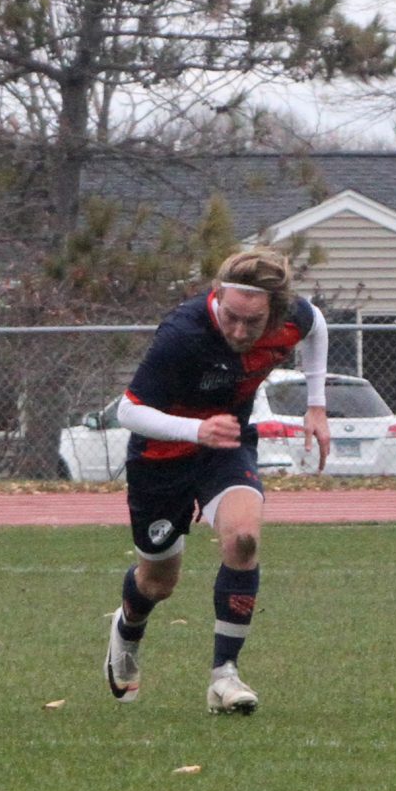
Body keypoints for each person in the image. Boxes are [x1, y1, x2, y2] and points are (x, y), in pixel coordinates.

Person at [101, 248, 330, 714]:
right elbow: (128, 410)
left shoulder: (293, 316)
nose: (241, 332)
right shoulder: (182, 335)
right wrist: (195, 429)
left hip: (225, 448)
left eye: (254, 322)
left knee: (244, 540)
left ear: (276, 310)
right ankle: (126, 632)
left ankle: (224, 677)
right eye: (231, 318)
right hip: (160, 458)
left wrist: (317, 403)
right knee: (158, 582)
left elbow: (317, 325)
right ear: (217, 295)